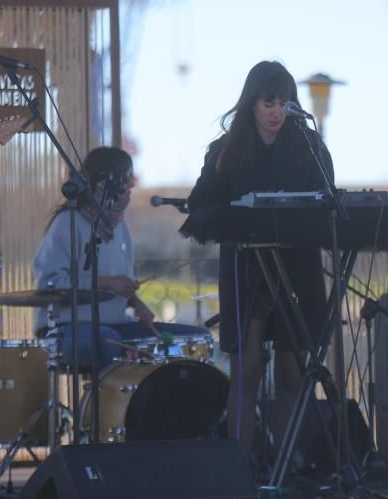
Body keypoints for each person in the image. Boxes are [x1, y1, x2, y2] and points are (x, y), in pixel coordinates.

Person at [184, 61, 333, 461]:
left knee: (292, 371)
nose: (277, 112)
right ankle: (239, 470)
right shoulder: (225, 149)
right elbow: (200, 205)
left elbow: (328, 201)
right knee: (245, 372)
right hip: (245, 268)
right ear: (251, 103)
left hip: (297, 267)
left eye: (285, 103)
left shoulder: (310, 147)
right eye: (269, 102)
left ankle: (287, 467)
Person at [32, 146, 203, 372]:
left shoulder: (120, 227)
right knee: (107, 342)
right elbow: (50, 284)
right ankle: (105, 405)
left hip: (117, 324)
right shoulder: (67, 223)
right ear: (104, 182)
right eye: (124, 181)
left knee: (196, 339)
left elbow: (124, 285)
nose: (130, 188)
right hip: (68, 329)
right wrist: (108, 282)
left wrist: (138, 304)